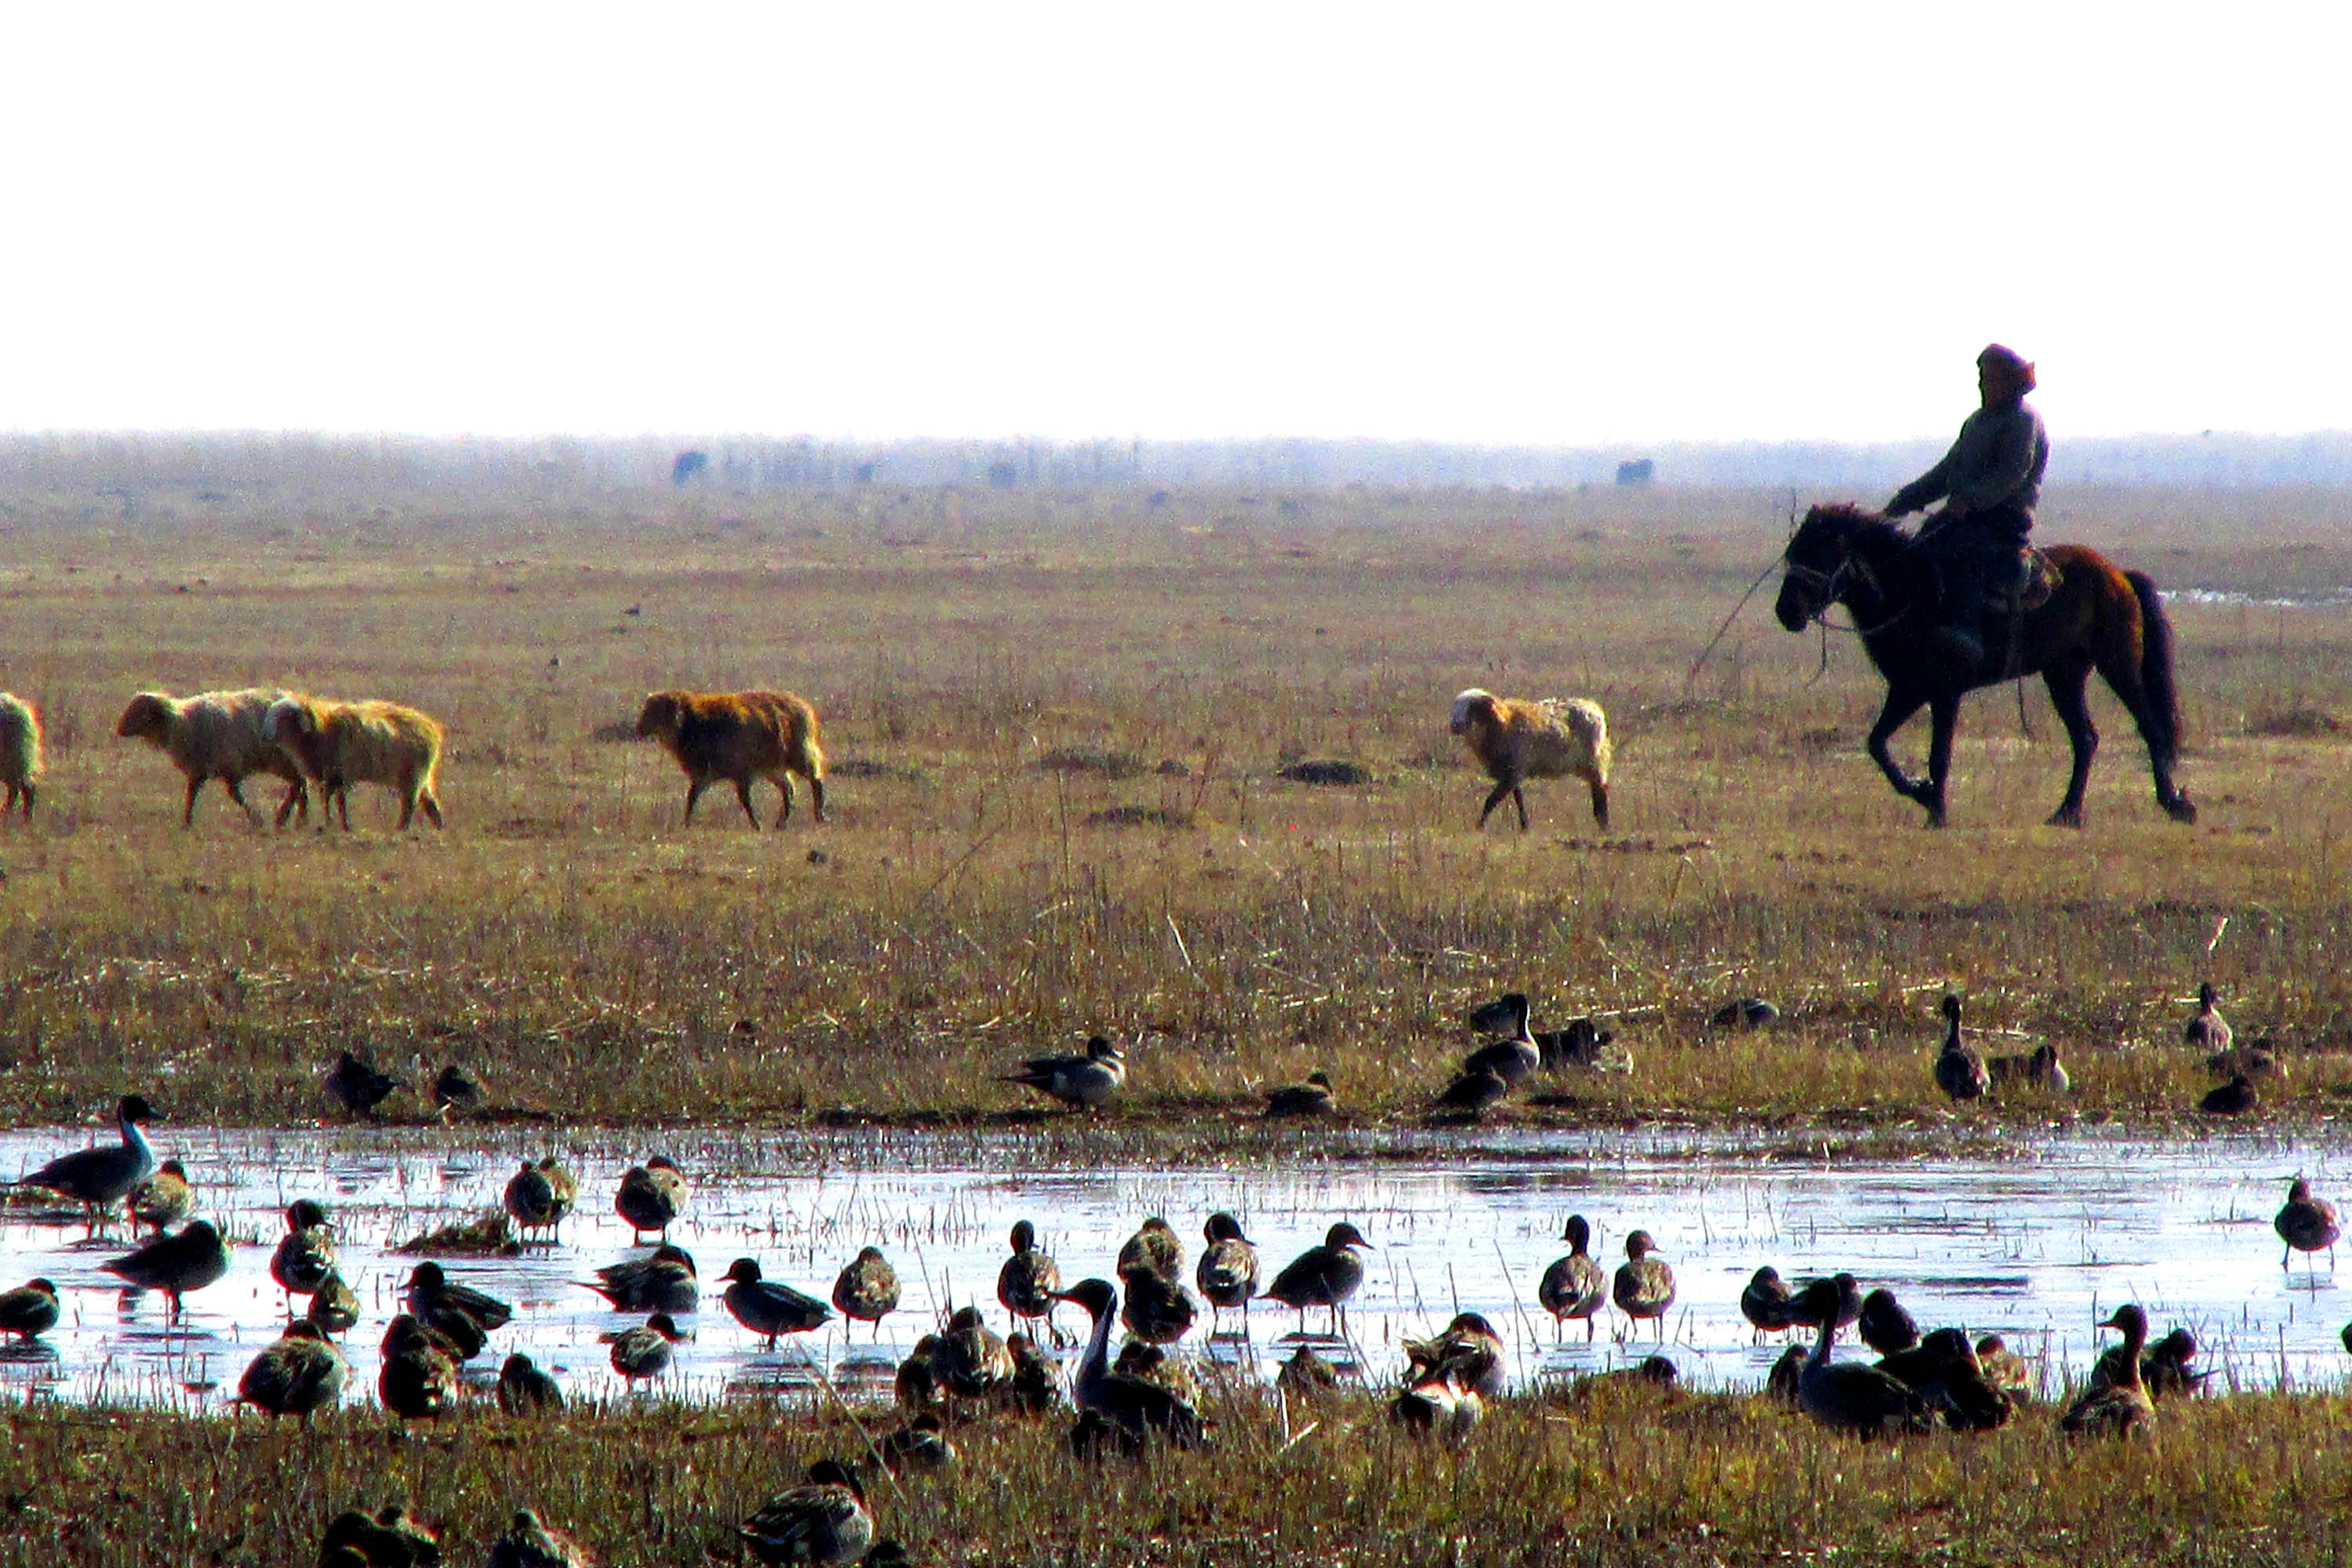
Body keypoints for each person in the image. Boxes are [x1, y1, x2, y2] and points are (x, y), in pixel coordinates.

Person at [1884, 344, 2048, 664]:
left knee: (1965, 548)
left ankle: (1967, 631)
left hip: (2004, 517)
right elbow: (1948, 470)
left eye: (1988, 379)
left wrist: (1970, 501)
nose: (1981, 385)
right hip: (1967, 513)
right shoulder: (1976, 421)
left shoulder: (2023, 420)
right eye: (1981, 378)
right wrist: (1905, 500)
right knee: (1923, 545)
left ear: (2008, 382)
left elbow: (2013, 472)